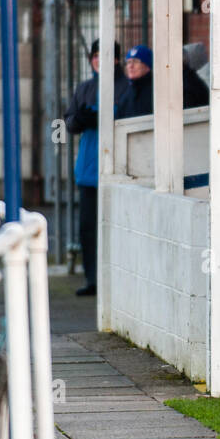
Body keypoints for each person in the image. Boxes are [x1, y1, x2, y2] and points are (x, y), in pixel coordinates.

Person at [64, 39, 126, 297]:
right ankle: (92, 279)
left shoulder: (125, 86)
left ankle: (118, 279)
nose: (100, 60)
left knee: (118, 226)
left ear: (116, 59)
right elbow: (68, 120)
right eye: (96, 55)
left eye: (106, 55)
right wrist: (78, 119)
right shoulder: (85, 88)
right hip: (89, 171)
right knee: (89, 229)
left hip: (120, 168)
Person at [117, 44, 154, 118]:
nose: (131, 66)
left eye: (136, 61)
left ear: (147, 66)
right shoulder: (126, 95)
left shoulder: (156, 91)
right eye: (128, 62)